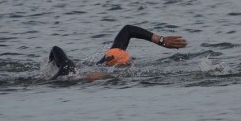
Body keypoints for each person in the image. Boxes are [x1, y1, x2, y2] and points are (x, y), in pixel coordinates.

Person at [49, 24, 187, 78]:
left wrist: (161, 40)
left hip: (70, 66)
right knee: (67, 68)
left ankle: (49, 73)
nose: (130, 61)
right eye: (128, 61)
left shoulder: (110, 57)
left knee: (61, 57)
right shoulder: (103, 73)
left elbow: (128, 30)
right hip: (71, 73)